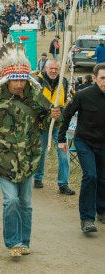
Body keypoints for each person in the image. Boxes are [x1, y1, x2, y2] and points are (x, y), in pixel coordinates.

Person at [0, 44, 61, 258]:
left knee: (26, 204)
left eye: (22, 80)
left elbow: (50, 120)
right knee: (10, 201)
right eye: (15, 80)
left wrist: (56, 116)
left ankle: (24, 241)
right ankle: (13, 242)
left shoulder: (36, 98)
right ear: (7, 80)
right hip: (4, 162)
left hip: (29, 160)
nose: (19, 84)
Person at [58, 64, 105, 233]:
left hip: (103, 143)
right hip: (84, 141)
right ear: (94, 78)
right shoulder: (82, 95)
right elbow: (67, 115)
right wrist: (61, 138)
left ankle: (102, 210)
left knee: (102, 178)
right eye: (102, 78)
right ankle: (86, 218)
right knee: (90, 176)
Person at [33, 59, 75, 195]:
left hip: (59, 123)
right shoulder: (37, 82)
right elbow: (34, 103)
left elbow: (67, 101)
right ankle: (38, 177)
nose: (53, 71)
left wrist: (61, 112)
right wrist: (47, 112)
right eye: (51, 68)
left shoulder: (63, 81)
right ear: (45, 68)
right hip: (42, 123)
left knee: (64, 152)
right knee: (41, 150)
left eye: (56, 69)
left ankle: (63, 183)